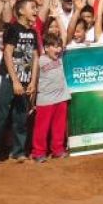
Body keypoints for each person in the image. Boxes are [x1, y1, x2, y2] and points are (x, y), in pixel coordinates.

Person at [0, 0, 40, 163]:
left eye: (36, 8)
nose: (36, 10)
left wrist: (33, 82)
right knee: (2, 116)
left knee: (21, 117)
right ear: (21, 11)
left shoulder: (33, 32)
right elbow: (7, 53)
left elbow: (35, 57)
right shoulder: (13, 29)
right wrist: (15, 81)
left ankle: (18, 151)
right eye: (32, 7)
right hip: (8, 79)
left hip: (26, 80)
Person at [31, 33, 72, 161]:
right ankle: (38, 152)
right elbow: (35, 79)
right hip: (45, 100)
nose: (58, 49)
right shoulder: (40, 60)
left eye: (59, 46)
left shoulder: (60, 57)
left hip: (61, 98)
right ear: (46, 47)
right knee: (41, 128)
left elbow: (66, 37)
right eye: (54, 46)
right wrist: (32, 100)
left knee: (59, 127)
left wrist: (58, 17)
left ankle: (58, 150)